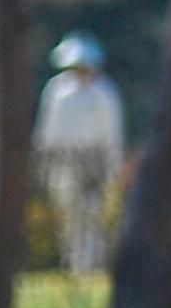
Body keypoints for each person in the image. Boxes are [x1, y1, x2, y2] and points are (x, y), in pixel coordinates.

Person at [35, 37, 129, 278]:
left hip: (95, 159)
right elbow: (48, 132)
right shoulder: (57, 90)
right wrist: (45, 163)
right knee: (69, 214)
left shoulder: (105, 92)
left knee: (92, 214)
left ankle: (90, 267)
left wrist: (113, 168)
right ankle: (74, 266)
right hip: (65, 160)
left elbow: (113, 134)